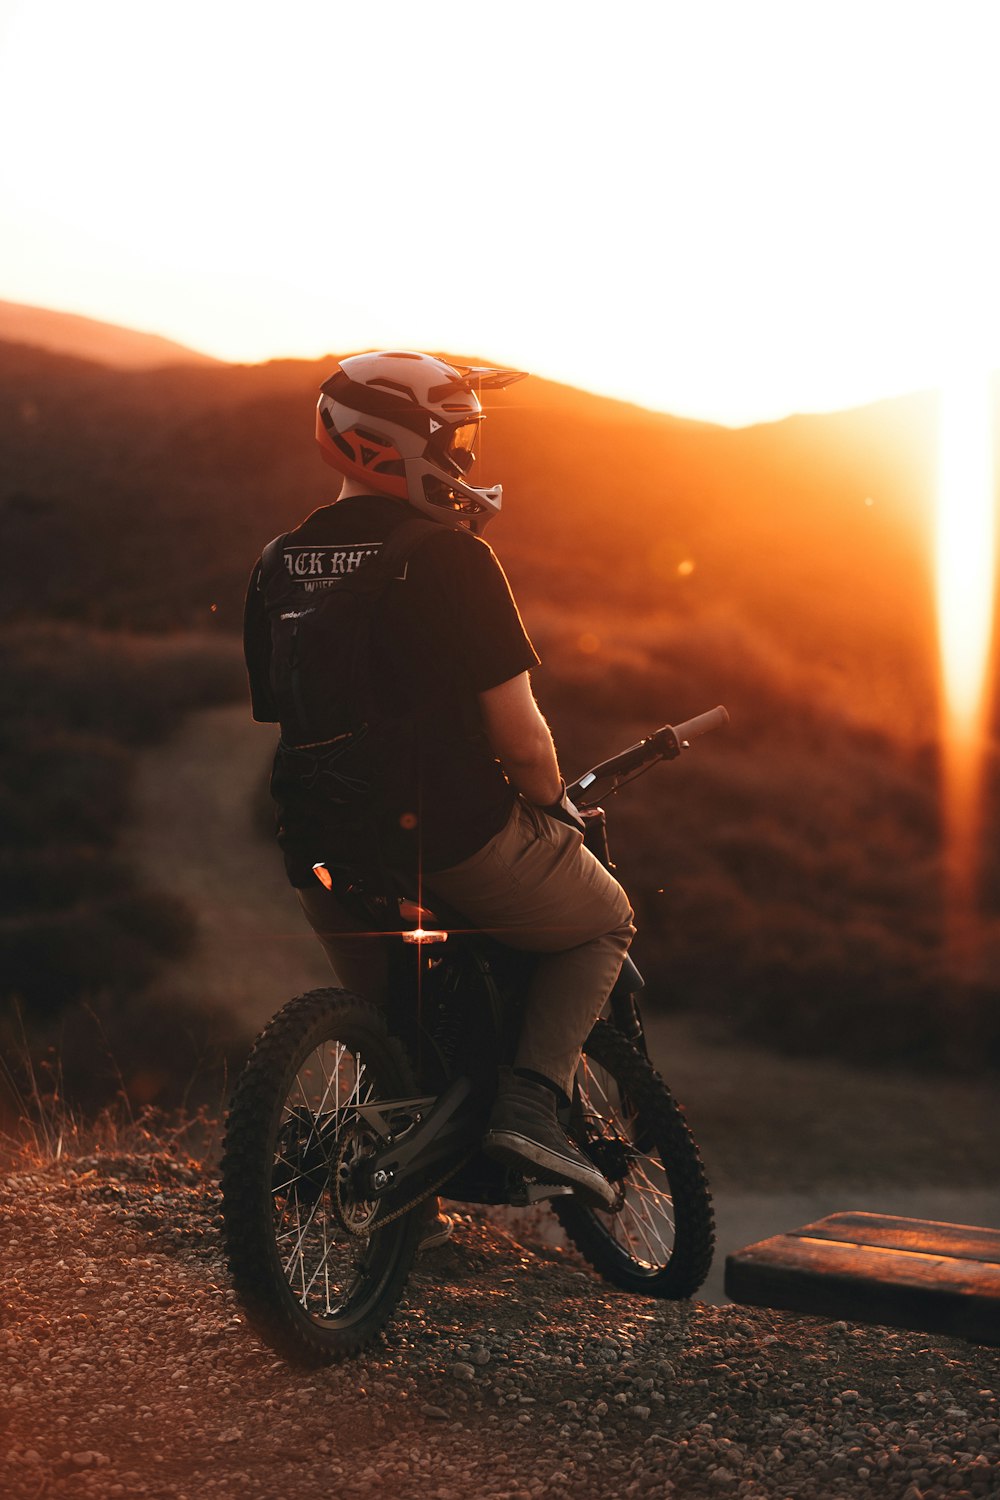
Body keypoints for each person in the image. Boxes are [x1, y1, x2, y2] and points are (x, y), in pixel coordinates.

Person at [243, 351, 634, 1226]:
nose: (462, 463)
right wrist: (554, 811)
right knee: (603, 919)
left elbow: (284, 712)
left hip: (318, 843)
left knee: (396, 1036)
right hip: (448, 833)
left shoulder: (276, 563)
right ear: (394, 446)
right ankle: (531, 1104)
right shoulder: (450, 558)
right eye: (451, 442)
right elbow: (524, 740)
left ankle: (399, 1200)